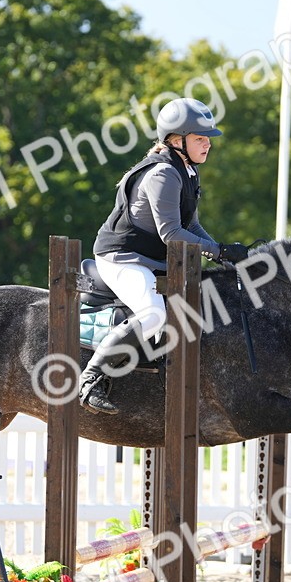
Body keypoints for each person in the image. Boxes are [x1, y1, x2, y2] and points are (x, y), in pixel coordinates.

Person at [78, 97, 247, 415]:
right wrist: (219, 250)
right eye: (200, 138)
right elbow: (172, 234)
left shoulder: (187, 170)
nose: (208, 144)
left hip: (149, 259)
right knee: (153, 314)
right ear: (177, 140)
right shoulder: (163, 173)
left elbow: (192, 226)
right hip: (122, 257)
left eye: (208, 138)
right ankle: (90, 380)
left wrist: (222, 255)